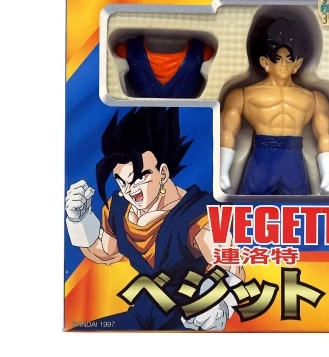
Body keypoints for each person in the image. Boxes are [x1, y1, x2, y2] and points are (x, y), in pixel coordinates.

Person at [65, 107, 243, 330]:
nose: (130, 190)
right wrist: (80, 219)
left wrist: (218, 302)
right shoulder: (119, 207)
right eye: (121, 182)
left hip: (188, 320)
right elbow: (105, 251)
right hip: (143, 313)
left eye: (138, 178)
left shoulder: (197, 213)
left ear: (164, 173)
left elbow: (229, 262)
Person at [220, 17, 329, 196]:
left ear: (297, 64)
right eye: (277, 59)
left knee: (299, 206)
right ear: (265, 62)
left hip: (293, 157)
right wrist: (222, 171)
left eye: (289, 59)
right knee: (249, 204)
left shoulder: (314, 98)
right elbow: (227, 132)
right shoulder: (243, 95)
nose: (283, 64)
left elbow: (325, 136)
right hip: (262, 157)